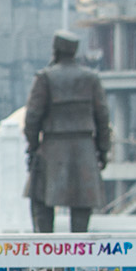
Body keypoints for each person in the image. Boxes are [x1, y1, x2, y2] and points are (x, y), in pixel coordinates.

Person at [22, 29, 111, 234]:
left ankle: (44, 250)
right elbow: (103, 117)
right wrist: (103, 149)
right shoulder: (91, 79)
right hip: (85, 148)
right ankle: (78, 254)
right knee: (82, 206)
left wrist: (33, 146)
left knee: (41, 201)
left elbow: (32, 117)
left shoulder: (45, 78)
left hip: (52, 148)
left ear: (56, 50)